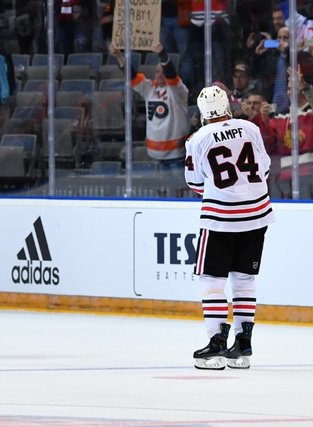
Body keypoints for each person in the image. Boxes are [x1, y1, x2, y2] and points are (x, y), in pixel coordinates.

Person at [185, 85, 273, 370]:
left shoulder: (197, 139)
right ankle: (243, 343)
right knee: (245, 279)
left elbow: (196, 184)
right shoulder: (249, 128)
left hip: (221, 216)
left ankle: (215, 344)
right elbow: (266, 167)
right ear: (227, 107)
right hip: (258, 214)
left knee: (212, 279)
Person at [114, 42, 189, 168]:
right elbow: (132, 76)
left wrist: (162, 55)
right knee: (160, 188)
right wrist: (119, 57)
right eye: (157, 72)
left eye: (162, 71)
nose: (159, 74)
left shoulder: (178, 90)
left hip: (176, 155)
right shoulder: (150, 88)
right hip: (155, 155)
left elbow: (171, 75)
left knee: (178, 188)